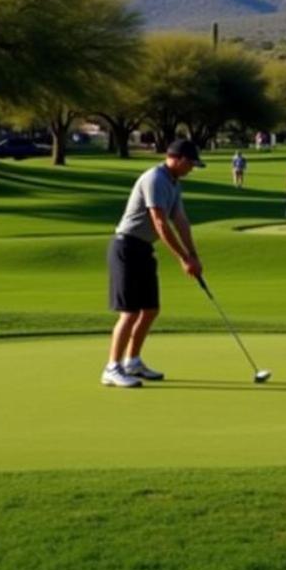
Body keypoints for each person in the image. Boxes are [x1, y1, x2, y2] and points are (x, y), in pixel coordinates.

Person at [102, 138, 205, 388]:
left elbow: (180, 221)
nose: (192, 168)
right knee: (130, 312)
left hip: (144, 249)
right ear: (178, 159)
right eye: (190, 163)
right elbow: (160, 223)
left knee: (150, 309)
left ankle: (133, 361)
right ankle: (111, 368)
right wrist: (182, 258)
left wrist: (193, 255)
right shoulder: (155, 179)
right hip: (126, 247)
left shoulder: (173, 182)